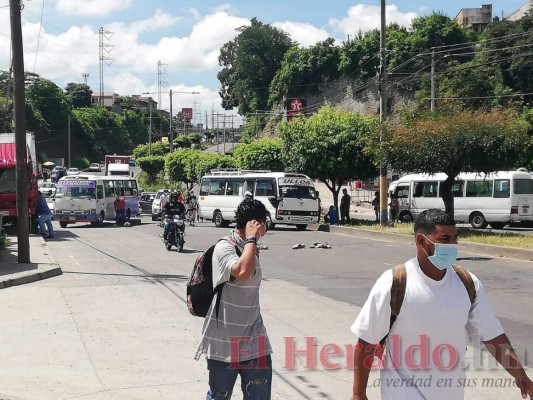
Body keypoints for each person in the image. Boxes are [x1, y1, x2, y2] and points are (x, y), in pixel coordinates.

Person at [350, 209, 533, 400]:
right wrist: (358, 394)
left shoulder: (467, 283)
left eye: (455, 238)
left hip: (450, 391)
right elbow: (366, 341)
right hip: (401, 391)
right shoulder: (395, 282)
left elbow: (493, 335)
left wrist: (521, 376)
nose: (452, 245)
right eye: (444, 239)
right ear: (421, 241)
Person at [195, 199, 272, 400]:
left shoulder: (250, 248)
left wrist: (251, 243)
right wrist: (251, 239)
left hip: (255, 340)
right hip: (224, 344)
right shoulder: (225, 247)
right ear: (256, 224)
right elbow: (243, 272)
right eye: (264, 223)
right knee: (219, 396)